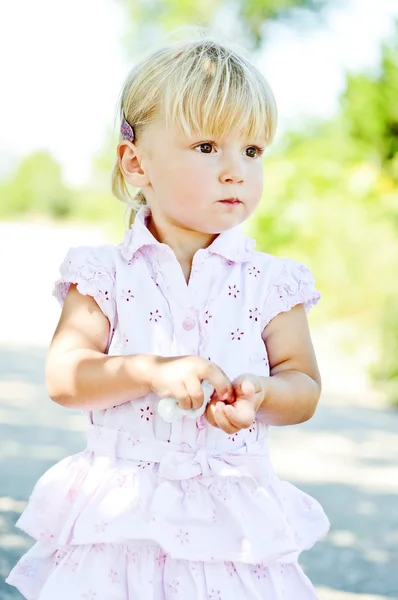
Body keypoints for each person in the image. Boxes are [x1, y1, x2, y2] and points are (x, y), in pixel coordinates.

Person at [7, 32, 330, 600]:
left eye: (252, 151)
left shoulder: (272, 282)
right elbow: (65, 377)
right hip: (119, 521)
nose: (235, 170)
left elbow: (302, 385)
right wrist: (149, 370)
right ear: (136, 162)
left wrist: (261, 392)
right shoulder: (103, 272)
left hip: (231, 529)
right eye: (207, 147)